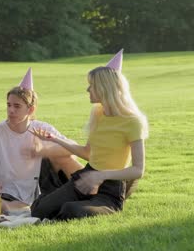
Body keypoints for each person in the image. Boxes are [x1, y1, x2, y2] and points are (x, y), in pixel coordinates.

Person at [30, 49, 149, 220]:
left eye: (91, 85)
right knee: (39, 210)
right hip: (85, 178)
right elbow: (87, 152)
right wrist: (54, 139)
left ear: (103, 88)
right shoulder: (98, 114)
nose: (88, 89)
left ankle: (108, 208)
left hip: (109, 189)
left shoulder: (133, 122)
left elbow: (138, 170)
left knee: (70, 210)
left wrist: (101, 175)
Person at [0, 68, 83, 215]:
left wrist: (44, 150)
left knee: (63, 156)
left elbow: (73, 149)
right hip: (8, 193)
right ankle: (31, 210)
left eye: (17, 106)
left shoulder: (41, 128)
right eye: (9, 105)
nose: (11, 110)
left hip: (41, 189)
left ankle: (87, 193)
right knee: (1, 207)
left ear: (30, 110)